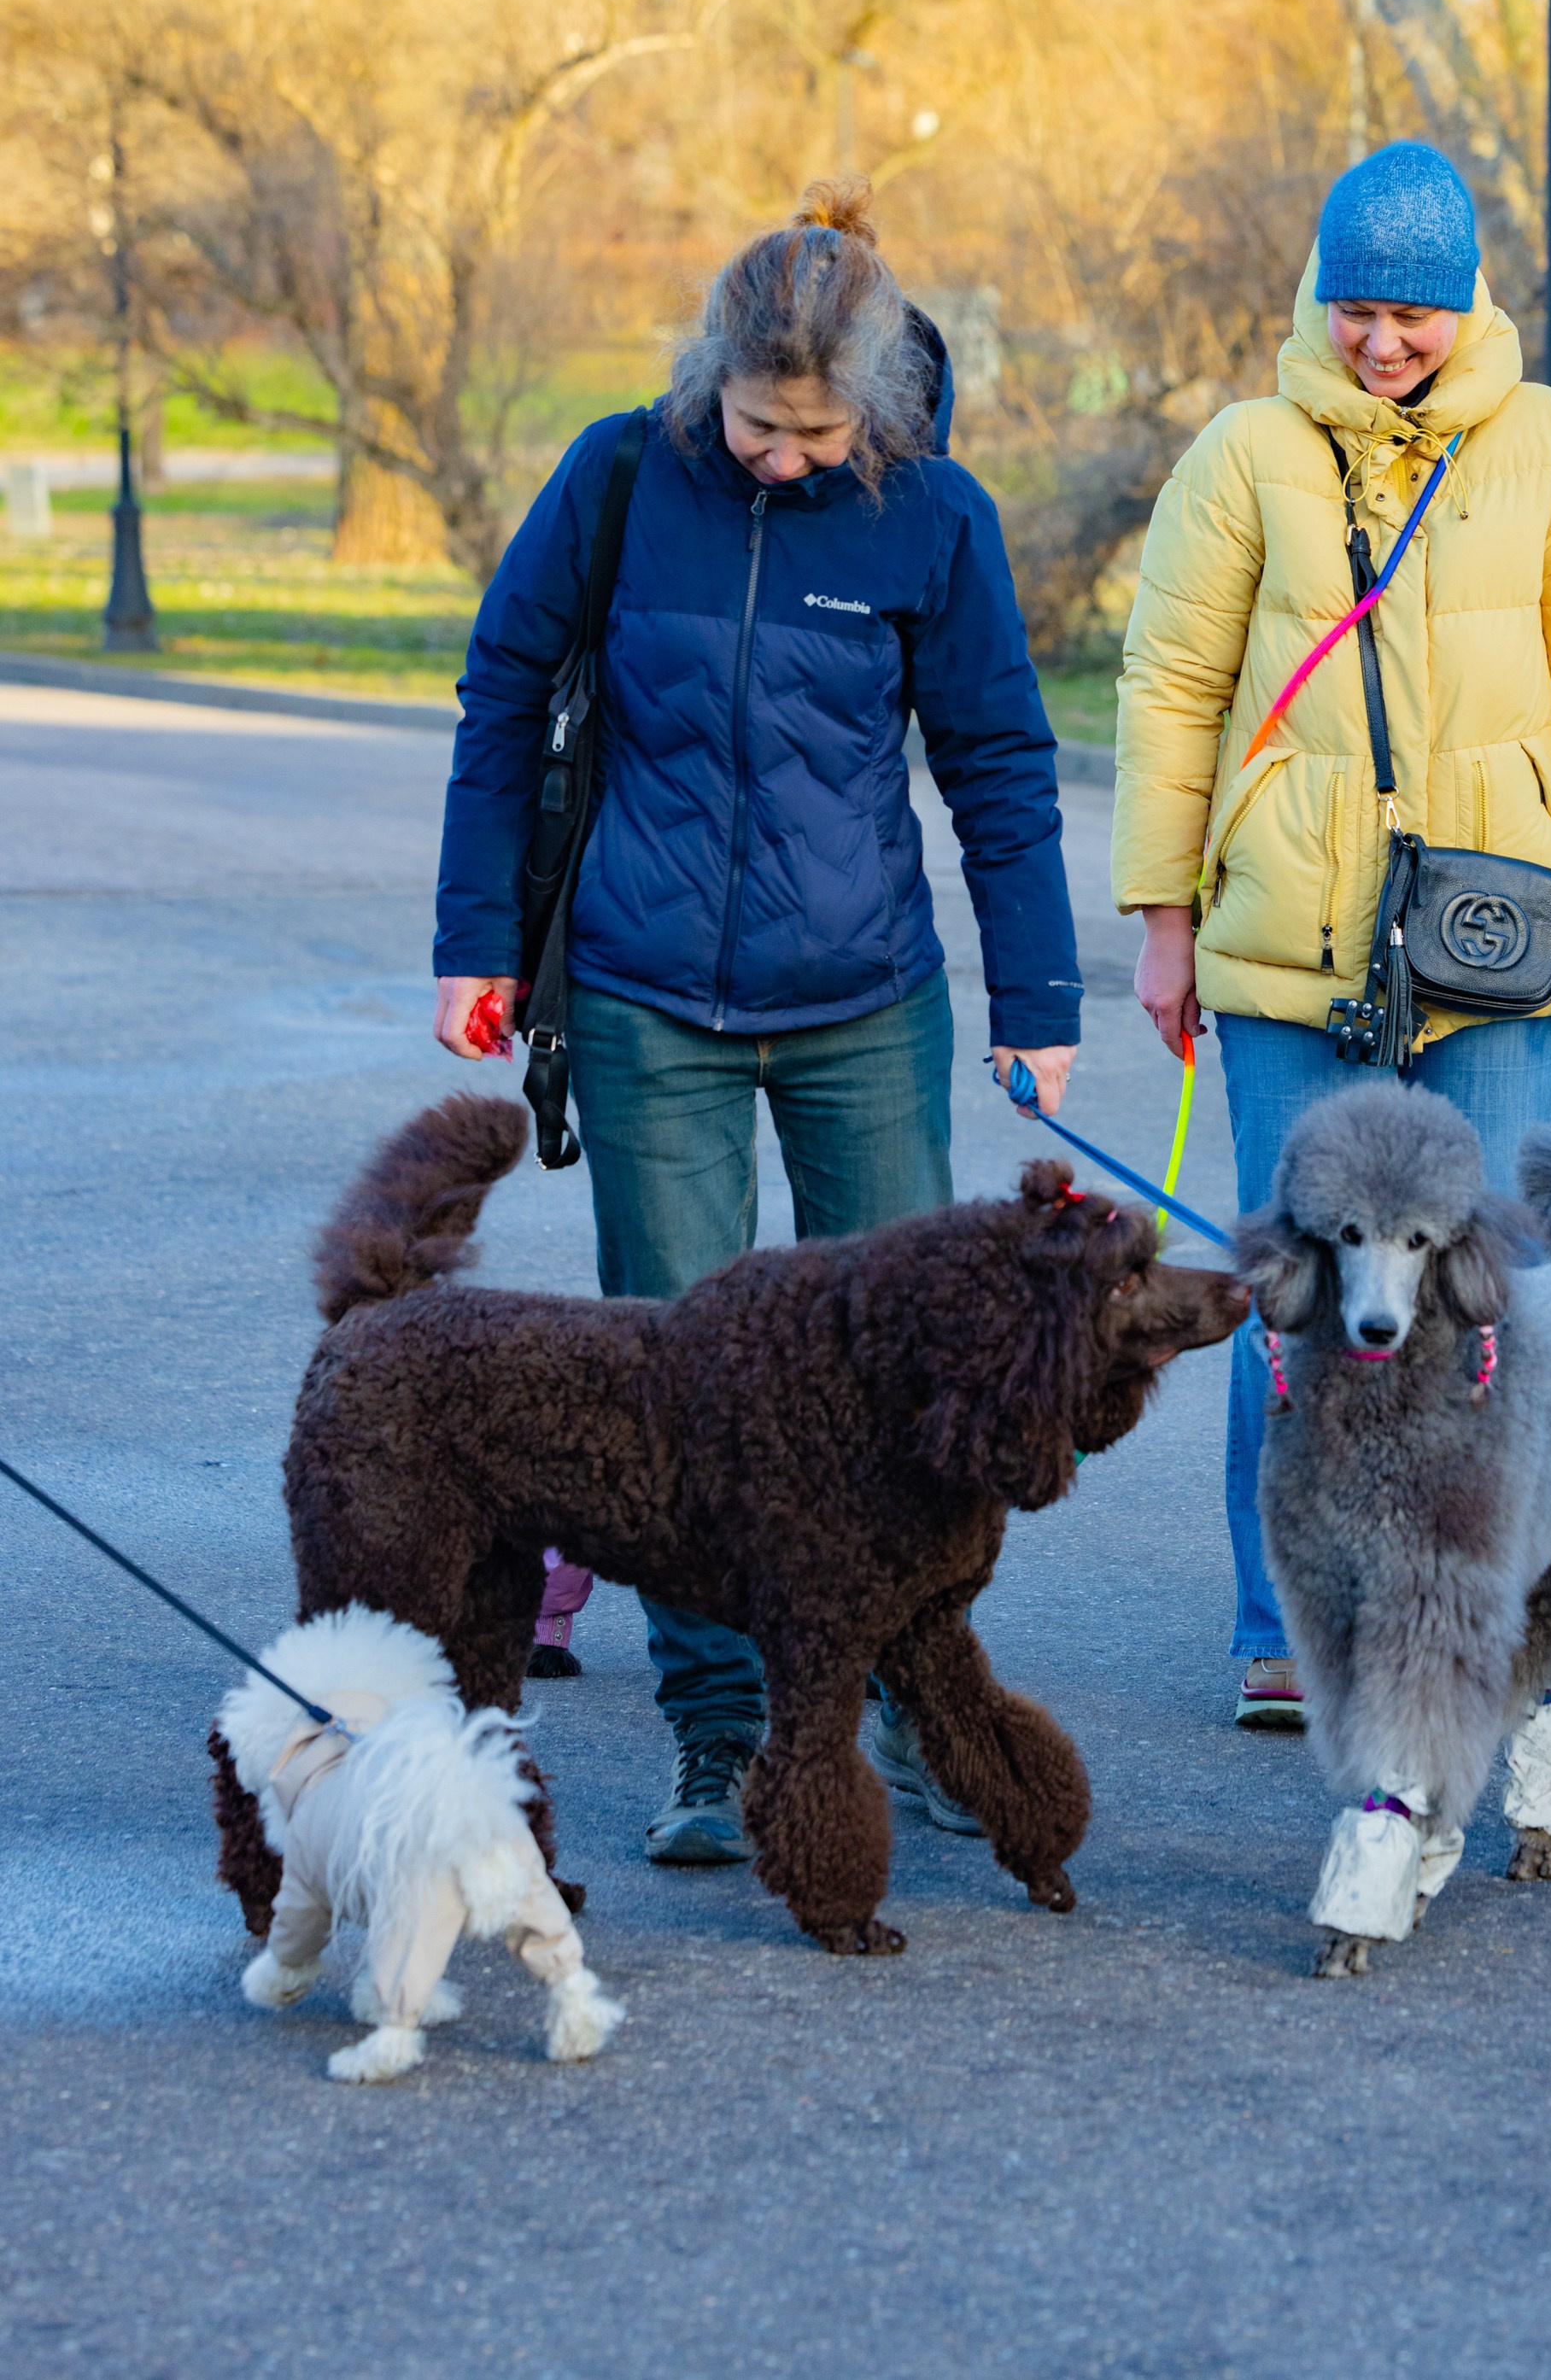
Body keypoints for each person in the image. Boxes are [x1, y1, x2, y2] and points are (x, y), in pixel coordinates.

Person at [431, 178, 1083, 1859]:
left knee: (904, 1387)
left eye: (812, 430)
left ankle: (901, 1711)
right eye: (753, 423)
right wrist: (473, 942)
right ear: (702, 379)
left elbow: (999, 764)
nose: (778, 456)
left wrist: (1037, 998)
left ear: (869, 405)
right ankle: (718, 1735)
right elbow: (502, 693)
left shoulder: (932, 517)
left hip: (865, 1000)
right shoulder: (621, 474)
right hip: (650, 998)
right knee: (684, 1382)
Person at [1110, 140, 1551, 1728]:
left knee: (1496, 1295)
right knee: (1292, 1290)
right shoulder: (1243, 454)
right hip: (1295, 940)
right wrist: (1164, 919)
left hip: (1499, 944)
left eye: (1413, 315)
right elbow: (1172, 693)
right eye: (1355, 308)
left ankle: (1494, 1618)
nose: (1381, 343)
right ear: (1318, 293)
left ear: (1468, 300)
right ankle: (1284, 1619)